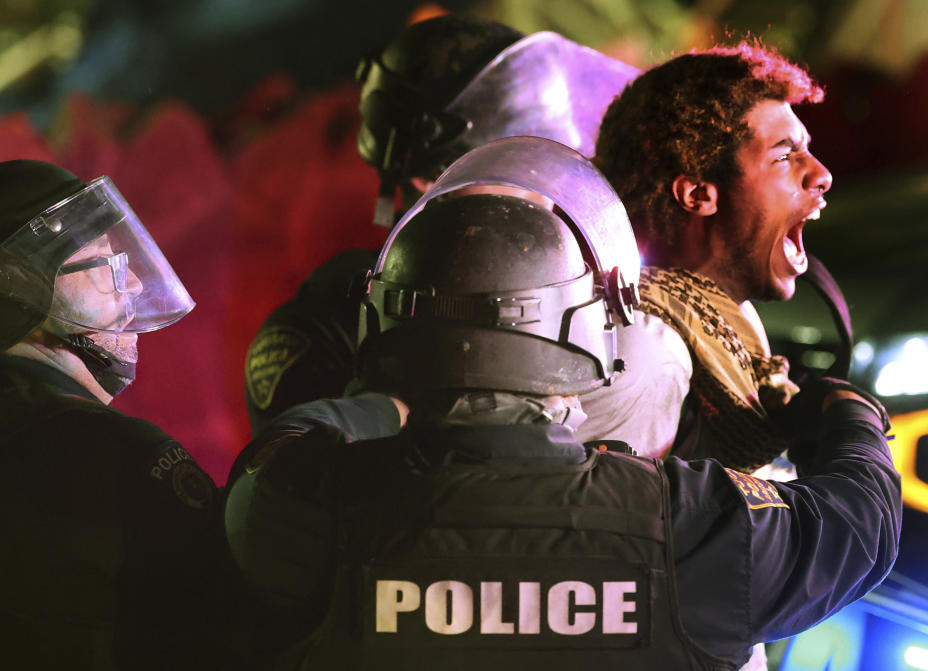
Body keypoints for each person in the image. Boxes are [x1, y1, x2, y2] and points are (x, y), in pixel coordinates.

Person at [225, 137, 901, 670]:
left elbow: (286, 444)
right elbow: (861, 526)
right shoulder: (681, 525)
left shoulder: (304, 507)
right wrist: (844, 415)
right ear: (581, 328)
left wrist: (387, 406)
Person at [242, 13, 638, 437]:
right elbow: (293, 477)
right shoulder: (330, 324)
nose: (548, 194)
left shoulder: (582, 287)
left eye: (548, 164)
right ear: (428, 181)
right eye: (518, 170)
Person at [0, 160, 235, 669]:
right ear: (17, 284)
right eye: (105, 263)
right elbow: (237, 618)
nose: (133, 284)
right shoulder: (102, 453)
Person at [580, 41, 834, 474]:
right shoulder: (645, 353)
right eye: (785, 155)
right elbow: (610, 533)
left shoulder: (724, 322)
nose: (821, 175)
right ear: (699, 194)